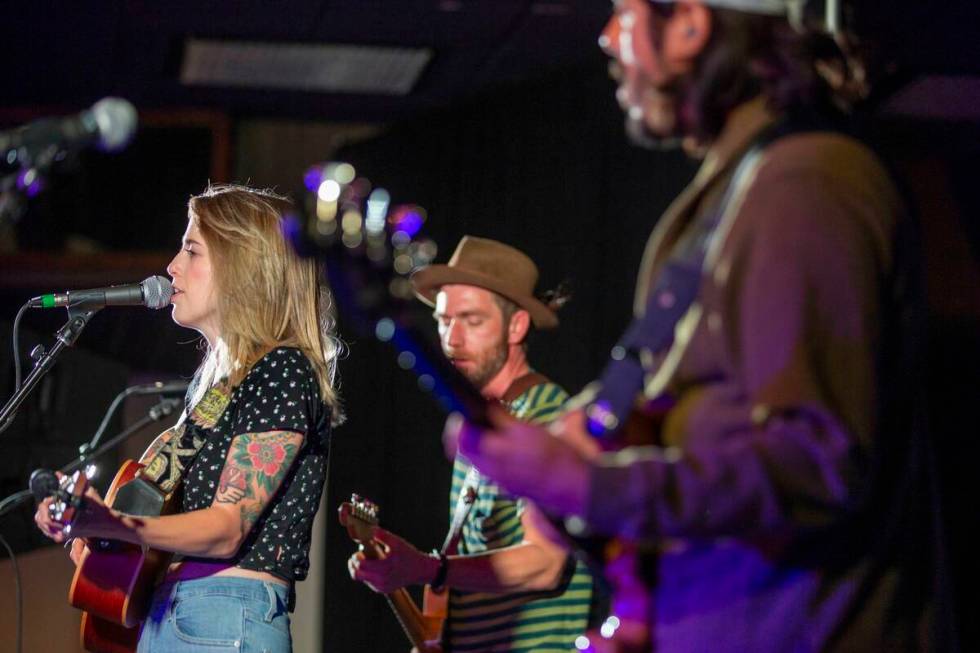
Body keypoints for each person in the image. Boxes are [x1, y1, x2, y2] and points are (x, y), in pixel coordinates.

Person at [447, 1, 941, 651]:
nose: (606, 38)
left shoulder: (807, 182)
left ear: (688, 25)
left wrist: (589, 484)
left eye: (623, 16)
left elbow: (813, 461)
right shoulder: (744, 188)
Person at [35, 184, 342, 652]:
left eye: (192, 250)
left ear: (244, 267)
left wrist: (113, 525)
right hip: (175, 614)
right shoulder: (218, 390)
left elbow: (226, 529)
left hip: (226, 614)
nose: (173, 267)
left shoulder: (283, 369)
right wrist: (93, 533)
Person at [348, 236, 593, 652]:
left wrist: (428, 568)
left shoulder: (545, 416)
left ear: (516, 325)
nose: (452, 340)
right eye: (444, 321)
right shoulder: (476, 427)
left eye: (471, 320)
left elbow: (545, 564)